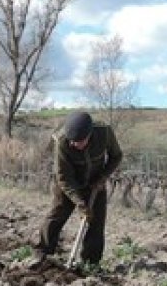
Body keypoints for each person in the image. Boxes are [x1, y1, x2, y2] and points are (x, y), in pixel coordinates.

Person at [33, 110, 123, 267]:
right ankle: (42, 253)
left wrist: (102, 178)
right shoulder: (62, 142)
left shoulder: (104, 132)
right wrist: (80, 203)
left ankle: (90, 262)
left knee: (96, 222)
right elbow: (63, 177)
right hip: (69, 183)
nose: (74, 144)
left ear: (89, 134)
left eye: (79, 141)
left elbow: (116, 156)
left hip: (96, 182)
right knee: (57, 215)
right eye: (72, 141)